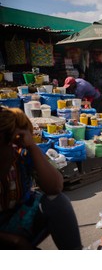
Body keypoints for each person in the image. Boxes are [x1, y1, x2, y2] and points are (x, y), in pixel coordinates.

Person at [0, 107, 82, 249]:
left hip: (16, 218)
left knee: (57, 201)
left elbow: (55, 187)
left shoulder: (19, 155)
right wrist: (13, 241)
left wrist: (32, 146)